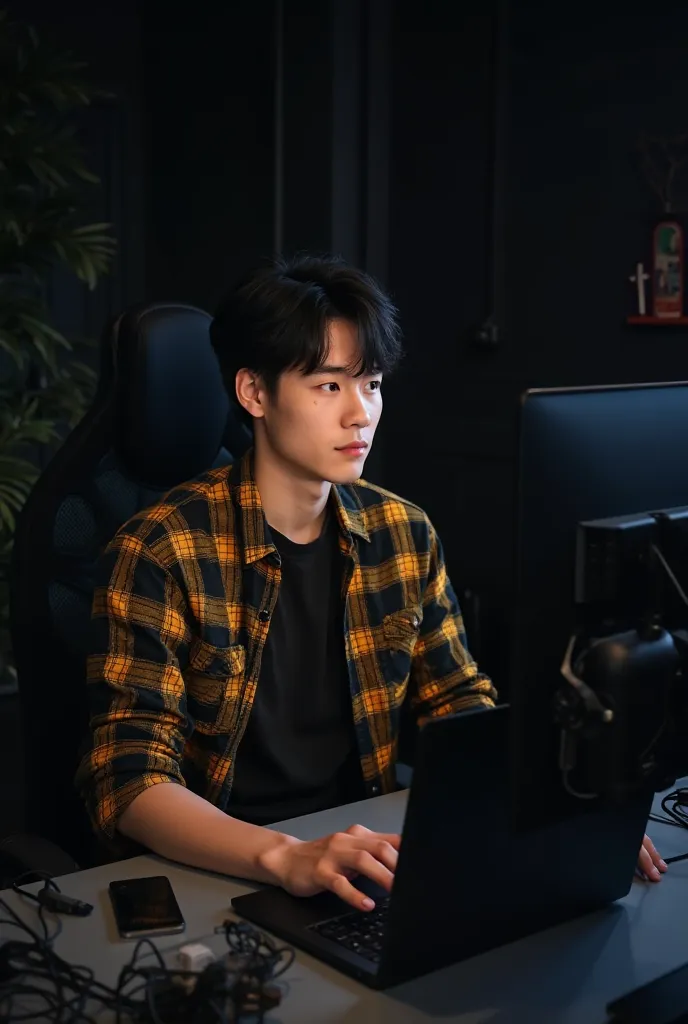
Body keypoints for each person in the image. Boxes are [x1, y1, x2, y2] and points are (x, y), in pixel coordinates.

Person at [76, 255, 666, 912]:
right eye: (330, 386)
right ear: (254, 393)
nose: (361, 414)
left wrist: (568, 809)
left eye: (373, 384)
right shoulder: (161, 548)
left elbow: (459, 704)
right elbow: (129, 778)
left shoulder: (402, 533)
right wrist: (283, 855)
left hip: (362, 855)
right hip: (219, 871)